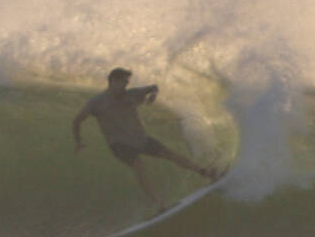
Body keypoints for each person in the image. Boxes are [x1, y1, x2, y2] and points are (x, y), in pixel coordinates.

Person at [73, 67, 217, 212]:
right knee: (138, 164)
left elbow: (153, 87)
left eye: (127, 83)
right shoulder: (96, 103)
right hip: (118, 143)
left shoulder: (131, 94)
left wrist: (153, 94)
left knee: (169, 154)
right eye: (123, 82)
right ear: (113, 81)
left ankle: (205, 172)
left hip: (140, 138)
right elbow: (77, 120)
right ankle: (158, 202)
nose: (125, 86)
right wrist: (79, 141)